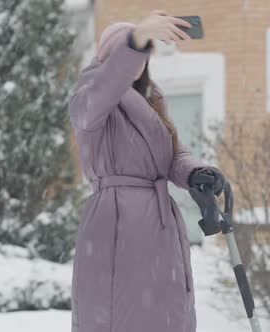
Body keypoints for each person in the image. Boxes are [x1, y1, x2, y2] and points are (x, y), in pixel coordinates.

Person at [68, 9, 227, 332]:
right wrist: (137, 37)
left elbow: (172, 155)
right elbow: (104, 88)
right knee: (120, 311)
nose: (140, 58)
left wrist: (196, 172)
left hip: (160, 223)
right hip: (116, 222)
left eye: (145, 52)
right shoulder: (90, 98)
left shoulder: (152, 99)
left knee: (163, 312)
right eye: (131, 51)